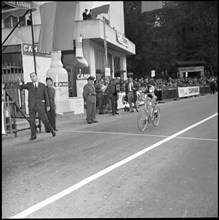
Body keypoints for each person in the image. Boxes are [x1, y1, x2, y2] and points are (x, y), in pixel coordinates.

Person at [19, 72, 56, 141]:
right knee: (32, 121)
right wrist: (20, 84)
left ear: (36, 76)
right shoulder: (29, 85)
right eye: (31, 77)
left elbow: (46, 96)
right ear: (30, 78)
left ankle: (52, 131)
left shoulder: (42, 85)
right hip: (32, 106)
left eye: (34, 76)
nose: (33, 78)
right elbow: (22, 86)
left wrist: (48, 105)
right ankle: (33, 135)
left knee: (45, 120)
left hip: (40, 106)